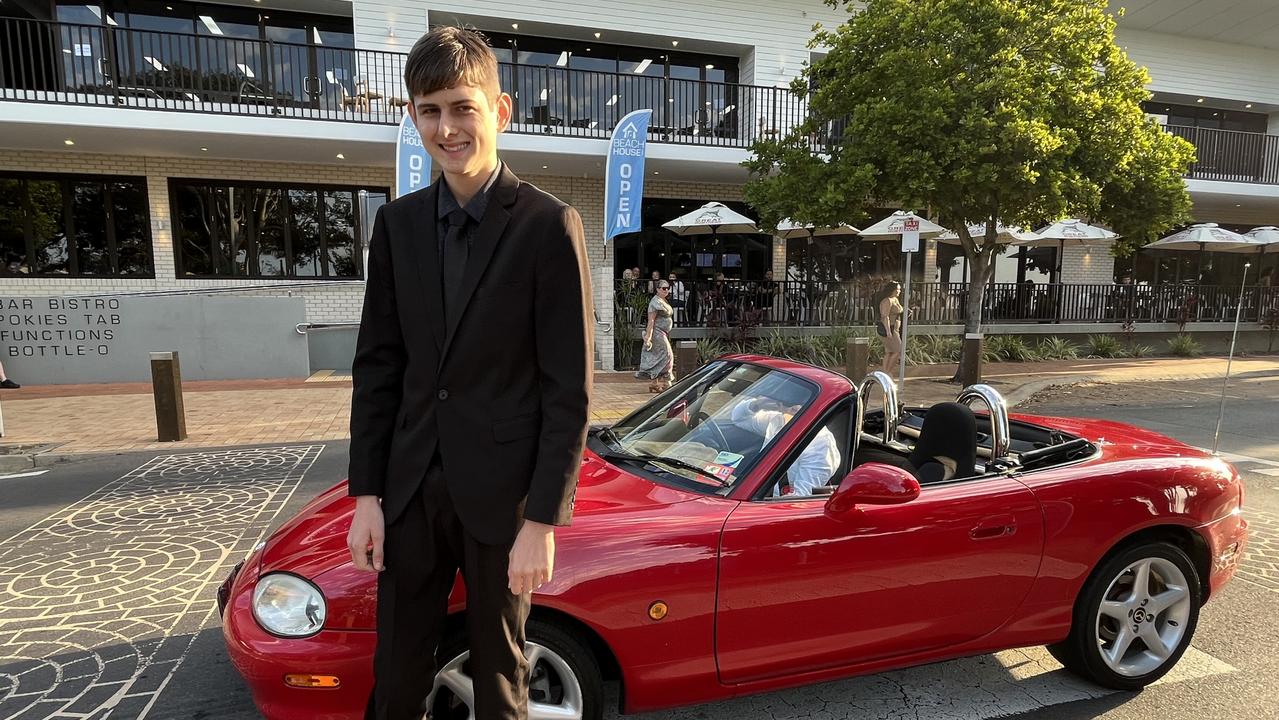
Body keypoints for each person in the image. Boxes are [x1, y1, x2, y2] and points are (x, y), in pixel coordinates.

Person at [345, 26, 593, 720]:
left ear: (500, 110)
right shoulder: (396, 227)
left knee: (500, 680)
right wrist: (366, 495)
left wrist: (543, 520)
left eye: (461, 107)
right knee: (395, 677)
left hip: (503, 503)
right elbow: (378, 367)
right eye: (429, 110)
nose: (446, 128)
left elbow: (566, 390)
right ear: (412, 116)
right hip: (409, 494)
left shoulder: (549, 225)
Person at [730, 380, 840, 496]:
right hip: (756, 489)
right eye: (785, 404)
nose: (792, 410)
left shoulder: (821, 444)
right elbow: (738, 418)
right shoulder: (777, 420)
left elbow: (801, 496)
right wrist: (758, 404)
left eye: (799, 405)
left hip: (774, 503)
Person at [635, 281, 675, 392]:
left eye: (667, 288)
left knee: (659, 356)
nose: (666, 290)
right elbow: (651, 320)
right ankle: (667, 382)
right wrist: (648, 335)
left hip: (663, 332)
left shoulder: (663, 301)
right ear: (657, 289)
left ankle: (654, 383)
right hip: (657, 332)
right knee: (668, 355)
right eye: (663, 288)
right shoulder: (655, 302)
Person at [876, 281, 904, 374]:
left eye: (900, 289)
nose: (899, 291)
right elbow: (885, 316)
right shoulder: (887, 300)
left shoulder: (895, 299)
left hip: (896, 328)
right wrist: (888, 331)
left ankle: (885, 372)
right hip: (890, 328)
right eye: (898, 289)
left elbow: (897, 310)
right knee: (898, 350)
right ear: (892, 290)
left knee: (889, 351)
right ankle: (888, 372)